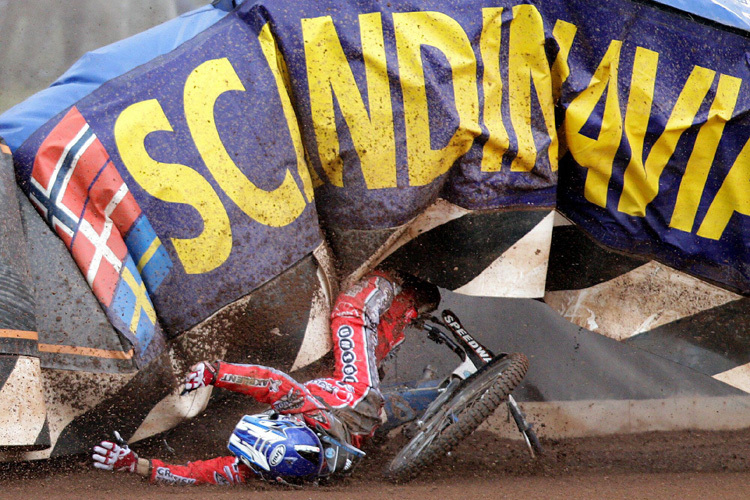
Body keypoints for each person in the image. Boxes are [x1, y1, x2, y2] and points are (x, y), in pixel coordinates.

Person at [92, 269, 440, 485]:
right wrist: (215, 371)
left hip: (353, 425)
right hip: (354, 396)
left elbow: (196, 474)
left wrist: (136, 465)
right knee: (352, 311)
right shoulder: (304, 413)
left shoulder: (261, 469)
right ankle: (399, 290)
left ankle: (423, 386)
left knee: (336, 373)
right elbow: (272, 383)